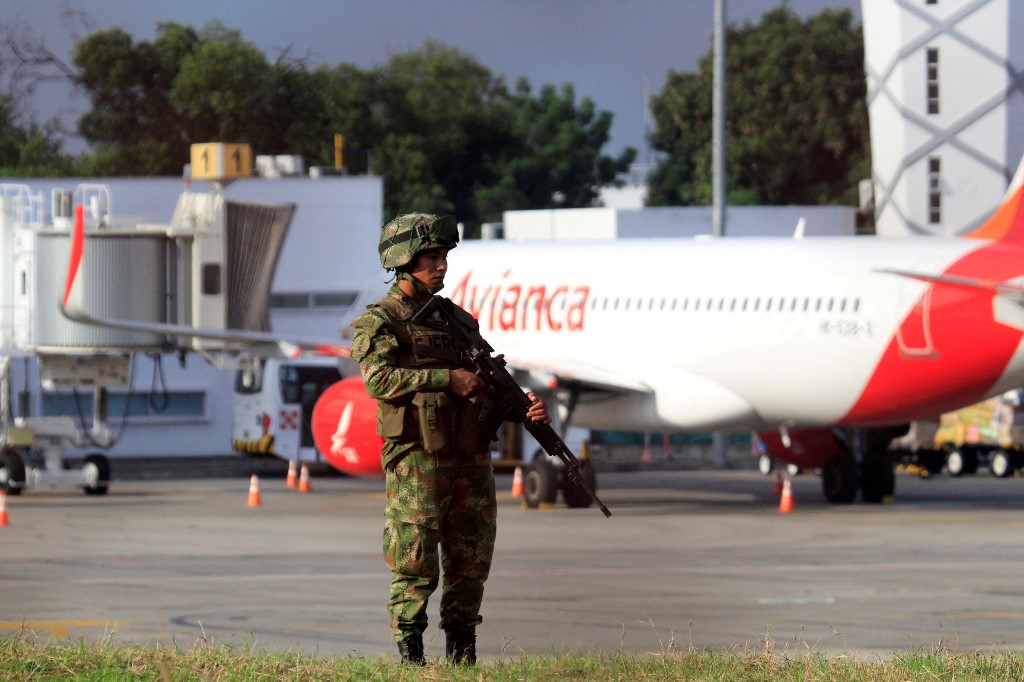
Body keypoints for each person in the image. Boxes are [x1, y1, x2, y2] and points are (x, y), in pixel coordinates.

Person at [350, 213, 550, 665]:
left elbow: (487, 381)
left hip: (470, 456)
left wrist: (524, 409)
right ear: (403, 261)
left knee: (471, 561)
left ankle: (463, 658)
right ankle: (412, 659)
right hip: (417, 459)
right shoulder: (381, 321)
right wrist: (446, 378)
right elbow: (378, 379)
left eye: (443, 257)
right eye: (430, 258)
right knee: (415, 561)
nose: (441, 266)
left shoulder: (458, 321)